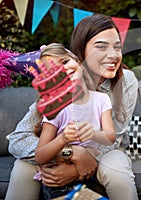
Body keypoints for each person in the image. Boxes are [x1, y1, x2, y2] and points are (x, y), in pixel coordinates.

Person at [6, 14, 139, 200]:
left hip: (103, 154)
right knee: (22, 167)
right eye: (101, 47)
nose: (113, 55)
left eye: (117, 47)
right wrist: (70, 153)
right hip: (58, 150)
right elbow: (18, 140)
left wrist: (77, 167)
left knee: (117, 167)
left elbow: (113, 138)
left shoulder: (126, 82)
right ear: (80, 53)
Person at [33, 43, 116, 199]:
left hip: (90, 176)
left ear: (78, 62)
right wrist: (63, 138)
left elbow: (111, 136)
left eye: (65, 62)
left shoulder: (102, 99)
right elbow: (40, 155)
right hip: (59, 183)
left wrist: (93, 134)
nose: (63, 70)